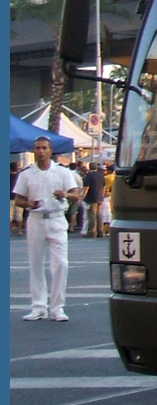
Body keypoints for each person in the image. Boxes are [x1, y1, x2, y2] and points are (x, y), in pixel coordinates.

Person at [12, 137, 81, 322]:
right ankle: (38, 306)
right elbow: (18, 198)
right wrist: (28, 203)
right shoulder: (27, 174)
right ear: (34, 151)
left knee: (61, 264)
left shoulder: (62, 172)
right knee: (36, 263)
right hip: (36, 219)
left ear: (51, 150)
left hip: (57, 219)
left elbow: (76, 195)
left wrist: (64, 194)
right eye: (37, 148)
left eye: (44, 148)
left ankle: (57, 308)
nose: (40, 151)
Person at [81, 162, 106, 238]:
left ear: (89, 167)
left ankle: (92, 232)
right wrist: (102, 195)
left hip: (91, 198)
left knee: (91, 215)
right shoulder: (101, 176)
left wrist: (82, 197)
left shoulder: (88, 176)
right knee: (99, 215)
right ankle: (101, 231)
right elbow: (104, 187)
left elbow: (86, 188)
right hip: (99, 197)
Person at [10, 162, 24, 236]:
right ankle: (20, 230)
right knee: (19, 215)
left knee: (9, 215)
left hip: (9, 198)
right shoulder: (19, 176)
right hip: (18, 197)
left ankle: (10, 231)